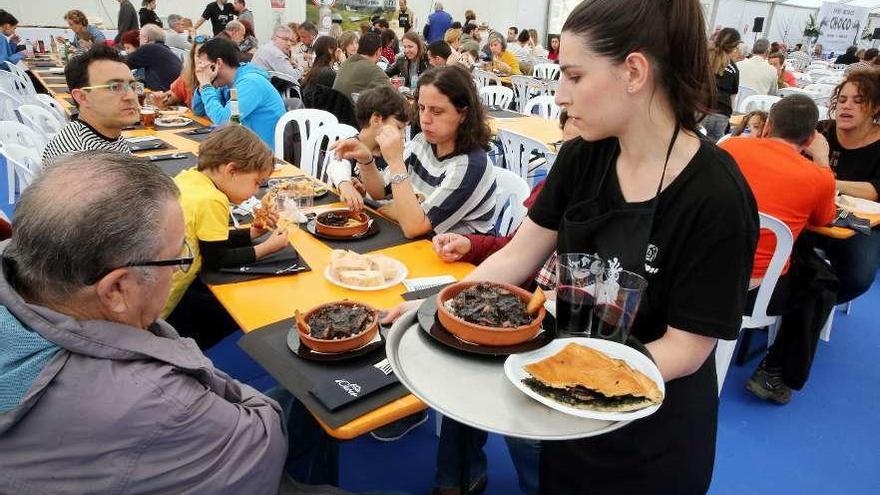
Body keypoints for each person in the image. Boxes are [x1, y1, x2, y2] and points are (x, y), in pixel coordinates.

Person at [384, 1, 758, 493]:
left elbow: (686, 348)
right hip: (564, 413)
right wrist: (438, 308)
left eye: (575, 76)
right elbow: (519, 254)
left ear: (634, 72)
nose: (559, 95)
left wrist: (569, 376)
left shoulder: (716, 196)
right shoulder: (583, 156)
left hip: (648, 432)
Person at [0, 150, 353, 495]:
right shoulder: (159, 401)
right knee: (311, 399)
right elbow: (263, 439)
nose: (179, 270)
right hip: (241, 455)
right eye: (175, 259)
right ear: (117, 289)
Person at [720, 95, 837, 405]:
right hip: (756, 291)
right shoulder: (818, 178)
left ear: (768, 125)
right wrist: (823, 162)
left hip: (700, 267)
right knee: (820, 284)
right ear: (811, 138)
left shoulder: (730, 147)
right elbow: (825, 220)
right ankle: (774, 373)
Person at [334, 65, 497, 238]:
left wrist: (396, 163)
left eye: (437, 111)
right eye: (421, 108)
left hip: (458, 261)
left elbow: (414, 227)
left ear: (463, 114)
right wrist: (366, 161)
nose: (425, 119)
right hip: (418, 246)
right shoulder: (423, 142)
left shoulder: (471, 165)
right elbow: (380, 192)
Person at [164, 125, 289, 348]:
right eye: (256, 182)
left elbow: (210, 240)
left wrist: (251, 233)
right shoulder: (212, 200)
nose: (256, 192)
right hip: (164, 305)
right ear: (231, 171)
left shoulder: (190, 179)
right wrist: (267, 248)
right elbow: (216, 258)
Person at [806, 71, 880, 303]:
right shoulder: (821, 131)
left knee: (858, 277)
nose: (847, 106)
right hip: (811, 214)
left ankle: (815, 305)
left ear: (875, 108)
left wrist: (827, 176)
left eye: (858, 101)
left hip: (861, 224)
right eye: (843, 99)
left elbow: (874, 190)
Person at [41, 45, 139, 163]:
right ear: (82, 97)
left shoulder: (102, 136)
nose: (131, 96)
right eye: (115, 87)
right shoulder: (82, 161)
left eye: (133, 86)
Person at [325, 85, 411, 212]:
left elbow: (385, 194)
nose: (403, 135)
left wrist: (366, 194)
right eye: (399, 127)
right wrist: (345, 184)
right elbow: (337, 165)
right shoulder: (352, 145)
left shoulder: (395, 153)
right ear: (376, 120)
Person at [192, 36, 286, 149]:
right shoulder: (227, 82)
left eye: (204, 65)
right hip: (244, 146)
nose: (202, 70)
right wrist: (203, 84)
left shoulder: (250, 83)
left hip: (262, 155)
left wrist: (206, 85)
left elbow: (224, 121)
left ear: (218, 63)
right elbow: (199, 110)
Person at [702, 27, 741, 142]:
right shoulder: (733, 68)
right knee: (713, 147)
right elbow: (732, 98)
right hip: (721, 113)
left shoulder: (702, 59)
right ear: (734, 47)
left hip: (700, 107)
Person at [333, 33, 392, 102]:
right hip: (351, 111)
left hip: (335, 108)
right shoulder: (372, 69)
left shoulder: (346, 62)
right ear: (379, 51)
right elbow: (393, 95)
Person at [152, 34, 205, 108]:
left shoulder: (223, 84)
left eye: (209, 55)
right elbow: (171, 96)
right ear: (193, 57)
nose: (203, 60)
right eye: (198, 55)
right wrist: (160, 99)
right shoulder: (187, 77)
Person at [126, 24, 182, 91]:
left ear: (145, 39)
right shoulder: (166, 51)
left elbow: (123, 63)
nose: (139, 42)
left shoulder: (149, 48)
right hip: (172, 92)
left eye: (139, 38)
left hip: (162, 95)